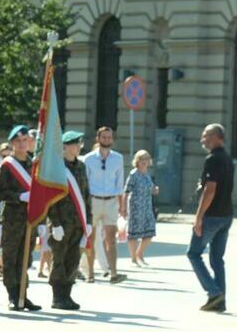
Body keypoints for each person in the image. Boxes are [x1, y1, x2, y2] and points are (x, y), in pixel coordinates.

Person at [187, 123, 234, 312]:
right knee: (216, 259)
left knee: (193, 253)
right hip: (226, 215)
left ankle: (214, 293)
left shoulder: (213, 160)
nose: (202, 139)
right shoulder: (227, 159)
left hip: (212, 215)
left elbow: (210, 190)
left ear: (217, 137)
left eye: (206, 135)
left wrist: (198, 217)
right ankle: (220, 300)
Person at [0, 124, 41, 311]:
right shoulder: (7, 166)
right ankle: (13, 295)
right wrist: (19, 196)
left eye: (24, 140)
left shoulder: (34, 164)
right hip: (13, 218)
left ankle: (24, 294)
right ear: (12, 143)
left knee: (26, 258)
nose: (22, 144)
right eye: (17, 141)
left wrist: (43, 221)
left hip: (31, 218)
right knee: (11, 257)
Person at [48, 130, 93, 311]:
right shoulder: (57, 168)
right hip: (61, 222)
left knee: (73, 259)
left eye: (79, 144)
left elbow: (86, 195)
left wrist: (88, 220)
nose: (78, 147)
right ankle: (58, 296)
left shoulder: (81, 167)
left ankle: (67, 294)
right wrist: (55, 223)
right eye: (75, 144)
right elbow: (51, 199)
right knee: (59, 259)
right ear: (65, 146)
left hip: (78, 222)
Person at [81, 126, 127, 284]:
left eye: (109, 137)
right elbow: (84, 184)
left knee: (111, 239)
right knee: (91, 239)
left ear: (112, 139)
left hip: (111, 202)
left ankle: (113, 273)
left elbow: (120, 183)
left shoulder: (118, 158)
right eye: (104, 137)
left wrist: (122, 206)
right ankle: (90, 274)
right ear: (98, 139)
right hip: (93, 200)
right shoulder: (88, 159)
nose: (107, 140)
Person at [124, 150, 158, 265]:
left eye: (146, 160)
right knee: (134, 234)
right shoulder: (134, 174)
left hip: (147, 207)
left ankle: (140, 253)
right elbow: (126, 191)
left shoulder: (147, 174)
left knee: (149, 232)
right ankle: (133, 258)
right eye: (142, 160)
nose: (144, 162)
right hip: (135, 208)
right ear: (137, 161)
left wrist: (155, 190)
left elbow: (151, 188)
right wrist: (123, 208)